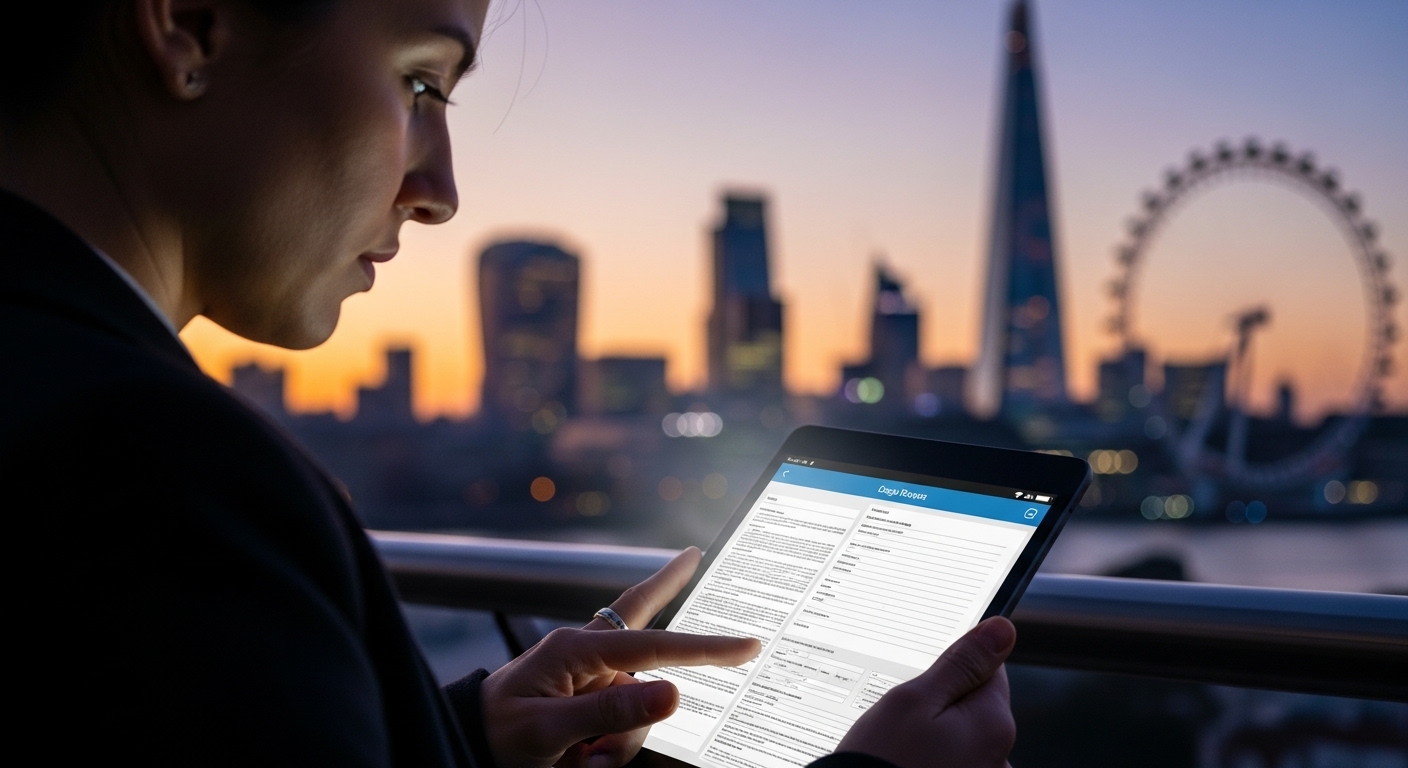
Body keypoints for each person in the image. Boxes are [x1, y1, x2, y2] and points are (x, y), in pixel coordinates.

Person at [0, 1, 1017, 766]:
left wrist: (465, 739)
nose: (438, 191)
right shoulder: (160, 469)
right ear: (190, 24)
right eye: (421, 84)